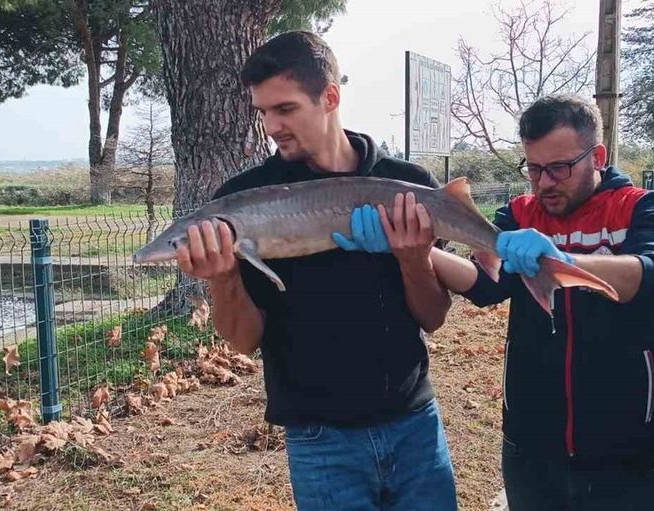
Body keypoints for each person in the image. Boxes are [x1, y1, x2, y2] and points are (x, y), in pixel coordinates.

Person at [346, 94, 654, 509]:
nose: (544, 183)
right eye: (533, 168)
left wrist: (564, 263)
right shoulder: (519, 214)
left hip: (624, 451)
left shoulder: (642, 208)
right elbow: (485, 284)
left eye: (559, 168)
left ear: (597, 157)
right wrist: (413, 250)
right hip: (530, 448)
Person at [172, 31, 458, 511]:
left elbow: (433, 317)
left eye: (285, 109)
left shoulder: (408, 187)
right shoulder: (242, 202)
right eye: (263, 112)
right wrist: (223, 277)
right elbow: (243, 341)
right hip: (319, 439)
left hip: (414, 423)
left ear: (330, 97)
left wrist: (413, 260)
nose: (271, 126)